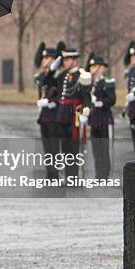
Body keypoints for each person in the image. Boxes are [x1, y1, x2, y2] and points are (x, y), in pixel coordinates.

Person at [54, 48, 91, 179]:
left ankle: (74, 176)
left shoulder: (82, 75)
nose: (65, 62)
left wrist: (86, 110)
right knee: (65, 146)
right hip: (63, 114)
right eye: (64, 60)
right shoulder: (62, 75)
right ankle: (69, 175)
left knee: (74, 147)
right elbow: (56, 89)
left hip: (74, 114)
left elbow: (86, 97)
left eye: (67, 59)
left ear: (74, 60)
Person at [85, 53, 115, 179]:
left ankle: (105, 175)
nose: (93, 69)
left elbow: (111, 99)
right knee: (96, 149)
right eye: (92, 66)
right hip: (93, 120)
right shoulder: (89, 83)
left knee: (104, 148)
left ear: (101, 68)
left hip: (104, 119)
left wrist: (98, 102)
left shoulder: (107, 82)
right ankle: (98, 174)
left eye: (95, 66)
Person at [33, 42, 61, 179]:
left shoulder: (57, 76)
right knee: (47, 146)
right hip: (43, 116)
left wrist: (50, 103)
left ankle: (55, 173)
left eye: (46, 58)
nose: (43, 60)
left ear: (52, 60)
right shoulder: (41, 76)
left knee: (54, 146)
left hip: (54, 115)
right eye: (43, 58)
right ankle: (50, 173)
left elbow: (60, 95)